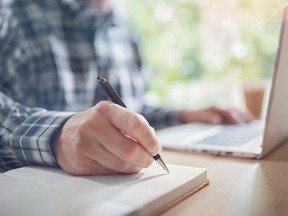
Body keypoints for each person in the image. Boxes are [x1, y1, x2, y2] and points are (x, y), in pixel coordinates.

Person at [0, 0, 254, 175]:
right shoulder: (12, 13)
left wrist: (183, 115)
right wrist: (58, 137)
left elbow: (130, 110)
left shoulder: (124, 31)